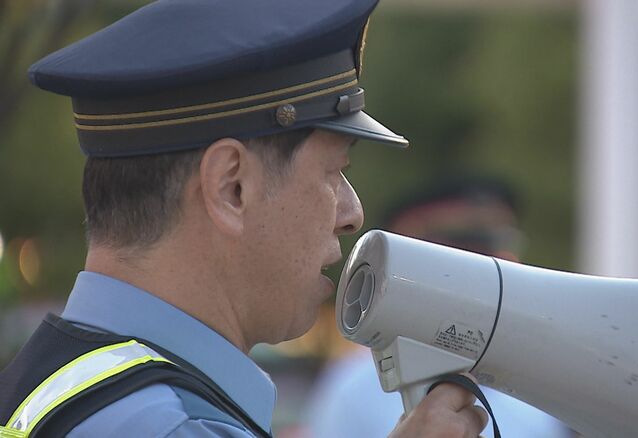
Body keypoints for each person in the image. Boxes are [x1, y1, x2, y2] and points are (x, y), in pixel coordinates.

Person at [0, 1, 490, 437]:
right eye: (333, 172)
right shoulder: (169, 425)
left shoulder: (52, 381)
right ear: (230, 187)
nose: (351, 213)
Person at [302, 178, 572, 438]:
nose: (500, 261)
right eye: (466, 246)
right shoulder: (352, 387)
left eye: (499, 245)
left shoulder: (533, 389)